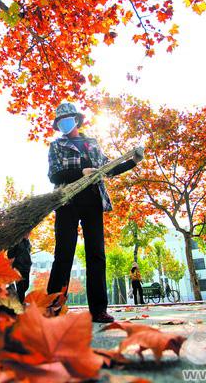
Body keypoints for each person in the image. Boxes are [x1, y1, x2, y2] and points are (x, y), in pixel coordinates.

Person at [47, 102, 143, 323]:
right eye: (60, 121)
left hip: (92, 200)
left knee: (96, 255)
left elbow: (108, 168)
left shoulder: (92, 144)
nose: (64, 124)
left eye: (68, 119)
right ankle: (53, 307)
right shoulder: (56, 146)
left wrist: (133, 162)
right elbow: (54, 175)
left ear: (77, 120)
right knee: (63, 254)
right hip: (67, 202)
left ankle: (98, 309)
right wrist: (81, 172)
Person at [7, 232, 32, 303]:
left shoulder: (27, 242)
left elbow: (28, 252)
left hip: (26, 267)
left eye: (29, 233)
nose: (29, 234)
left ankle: (16, 300)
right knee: (21, 288)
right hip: (18, 267)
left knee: (26, 286)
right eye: (27, 233)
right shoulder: (16, 241)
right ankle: (20, 305)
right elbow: (10, 254)